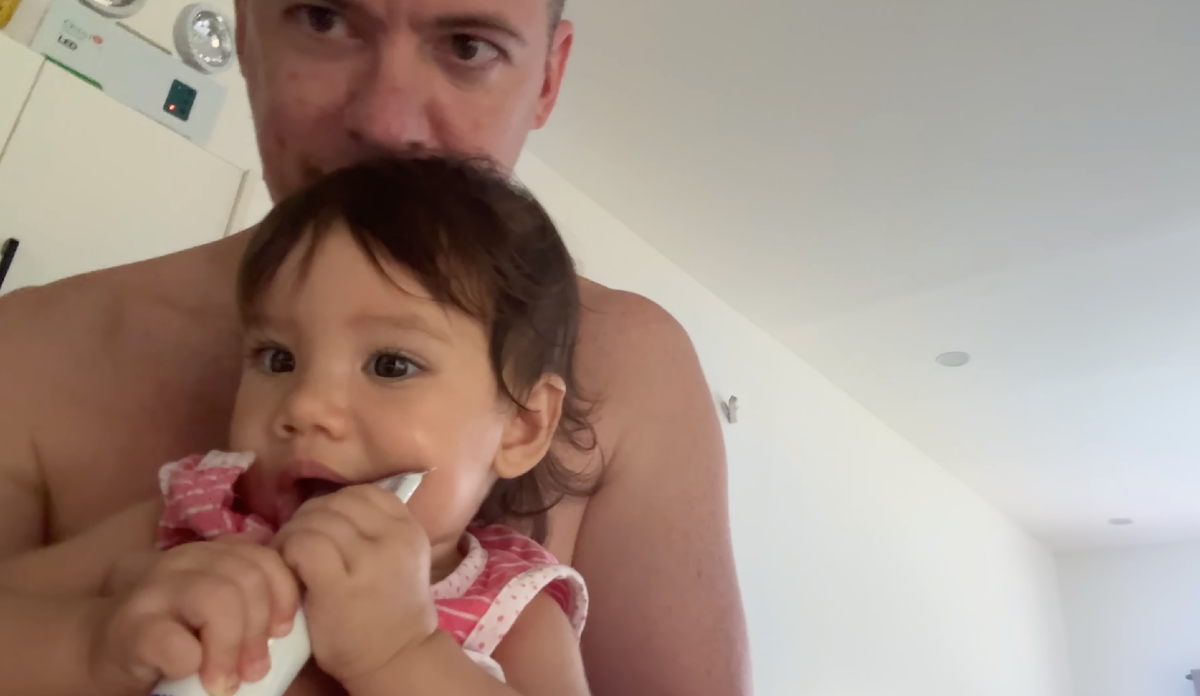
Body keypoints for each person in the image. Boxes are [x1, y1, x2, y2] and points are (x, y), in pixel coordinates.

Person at [0, 2, 750, 695]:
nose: (388, 126)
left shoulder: (514, 598)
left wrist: (401, 656)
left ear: (547, 78)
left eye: (467, 45)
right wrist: (91, 642)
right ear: (245, 25)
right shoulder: (188, 500)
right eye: (323, 17)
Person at [3, 156, 596, 696]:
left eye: (391, 365)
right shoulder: (197, 519)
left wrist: (401, 654)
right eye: (278, 359)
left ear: (521, 427)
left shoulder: (511, 611)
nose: (304, 405)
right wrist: (92, 645)